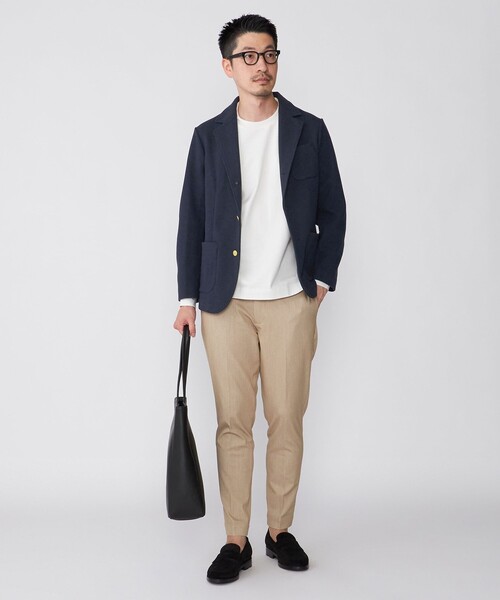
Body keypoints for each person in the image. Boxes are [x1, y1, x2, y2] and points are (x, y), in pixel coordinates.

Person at [173, 14, 346, 584]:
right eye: (248, 55)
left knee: (286, 418)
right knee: (233, 423)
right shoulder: (209, 136)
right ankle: (236, 539)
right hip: (224, 303)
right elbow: (192, 219)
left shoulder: (309, 129)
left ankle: (279, 530)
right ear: (228, 66)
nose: (261, 64)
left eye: (269, 53)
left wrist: (321, 282)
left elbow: (333, 209)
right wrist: (187, 299)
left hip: (291, 298)